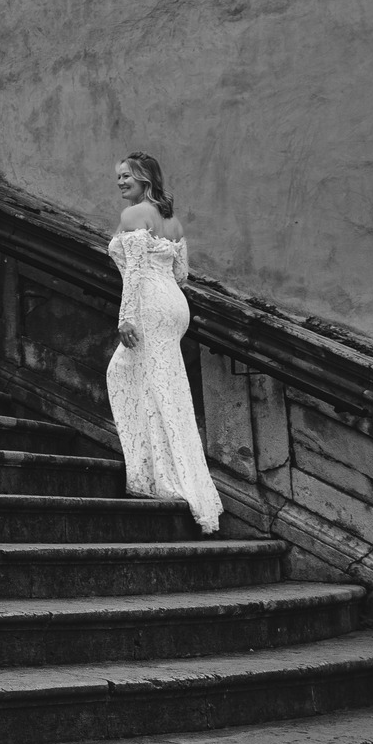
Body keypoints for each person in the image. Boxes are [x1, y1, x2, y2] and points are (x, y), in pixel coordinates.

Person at [105, 151, 221, 533]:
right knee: (162, 384)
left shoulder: (133, 215)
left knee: (134, 377)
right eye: (119, 176)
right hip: (174, 304)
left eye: (127, 176)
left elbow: (135, 273)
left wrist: (125, 318)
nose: (121, 181)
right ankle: (165, 470)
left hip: (149, 304)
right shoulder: (172, 219)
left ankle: (162, 476)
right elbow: (182, 273)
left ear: (145, 177)